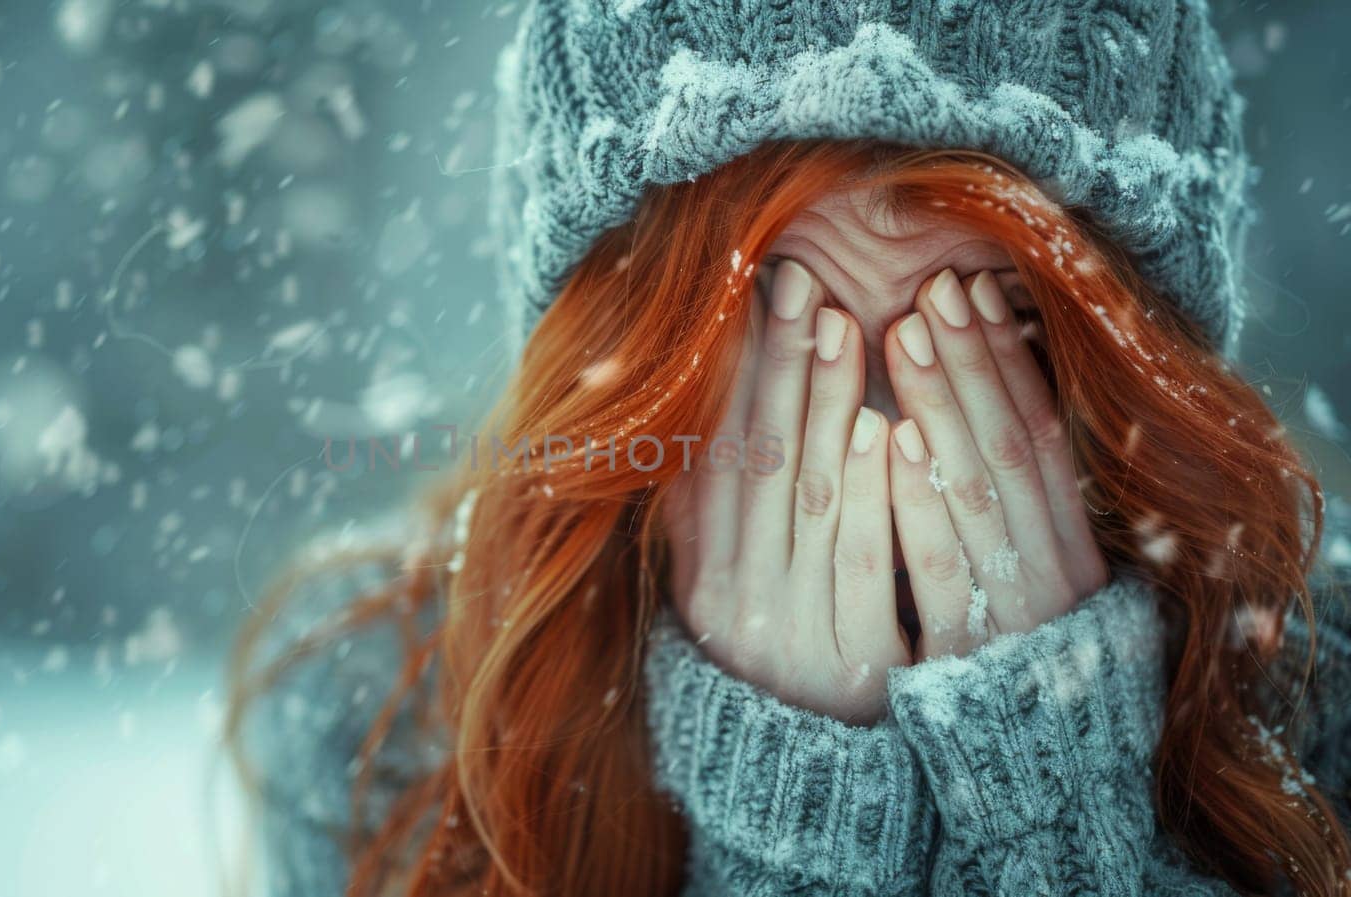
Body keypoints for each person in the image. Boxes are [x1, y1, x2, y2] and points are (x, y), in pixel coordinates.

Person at [225, 2, 1351, 894]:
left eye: (992, 335)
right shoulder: (388, 733)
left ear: (1141, 372)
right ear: (620, 368)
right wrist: (786, 822)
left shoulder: (1325, 699)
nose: (872, 450)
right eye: (773, 340)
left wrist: (1056, 823)